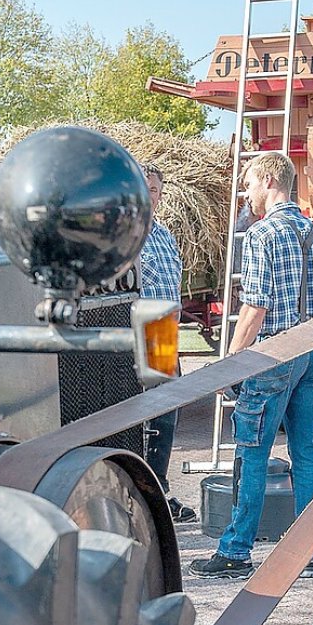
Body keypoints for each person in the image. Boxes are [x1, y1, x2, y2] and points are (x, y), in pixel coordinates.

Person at [190, 151, 313, 578]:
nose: (246, 193)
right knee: (306, 454)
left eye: (249, 184)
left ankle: (236, 551)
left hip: (274, 354)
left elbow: (255, 308)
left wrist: (230, 365)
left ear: (269, 181)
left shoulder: (262, 236)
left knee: (252, 454)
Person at [137, 165, 197, 523]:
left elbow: (172, 289)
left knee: (165, 417)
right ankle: (137, 493)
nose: (150, 196)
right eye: (143, 189)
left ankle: (158, 490)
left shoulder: (164, 235)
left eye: (155, 190)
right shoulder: (122, 235)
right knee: (132, 419)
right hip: (133, 333)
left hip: (162, 332)